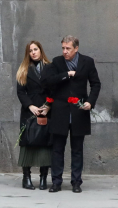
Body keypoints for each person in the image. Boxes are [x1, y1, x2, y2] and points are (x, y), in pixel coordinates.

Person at [42, 36, 101, 193]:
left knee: (77, 149)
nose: (65, 51)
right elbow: (48, 80)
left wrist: (90, 102)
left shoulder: (87, 62)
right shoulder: (57, 62)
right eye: (63, 48)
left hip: (79, 112)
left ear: (76, 48)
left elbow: (96, 83)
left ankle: (76, 182)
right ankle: (56, 182)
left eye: (68, 48)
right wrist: (66, 74)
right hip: (60, 111)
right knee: (57, 149)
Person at [16, 40, 52, 190]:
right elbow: (20, 92)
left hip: (45, 111)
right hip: (29, 112)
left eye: (35, 49)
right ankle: (26, 178)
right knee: (27, 143)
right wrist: (30, 105)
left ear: (40, 50)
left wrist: (48, 106)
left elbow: (54, 89)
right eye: (30, 50)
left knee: (45, 143)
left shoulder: (50, 68)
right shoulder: (23, 69)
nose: (33, 52)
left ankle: (44, 177)